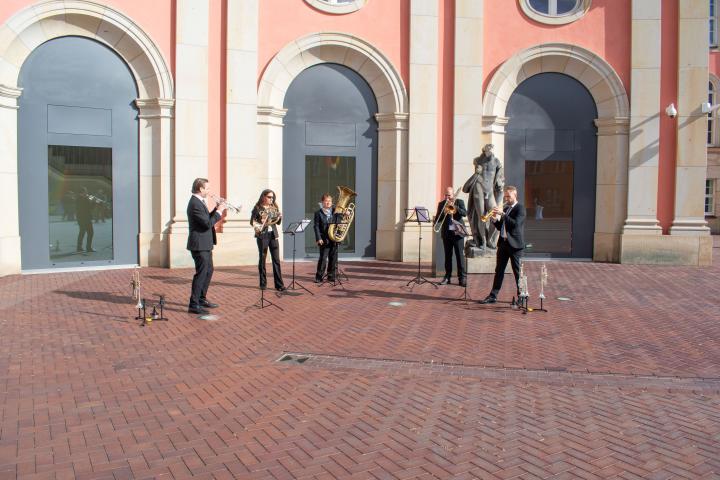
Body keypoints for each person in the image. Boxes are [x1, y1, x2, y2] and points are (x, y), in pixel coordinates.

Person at [480, 186, 526, 304]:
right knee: (499, 270)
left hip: (515, 245)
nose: (506, 198)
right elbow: (503, 226)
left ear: (515, 196)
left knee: (517, 272)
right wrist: (495, 220)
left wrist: (503, 214)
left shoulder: (520, 208)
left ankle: (522, 296)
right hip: (503, 243)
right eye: (505, 196)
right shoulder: (507, 208)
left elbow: (515, 224)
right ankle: (493, 295)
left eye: (508, 196)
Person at [187, 178, 225, 314]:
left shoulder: (199, 202)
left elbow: (206, 218)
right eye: (207, 188)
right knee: (201, 273)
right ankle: (193, 303)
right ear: (201, 189)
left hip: (205, 244)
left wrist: (216, 208)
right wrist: (219, 212)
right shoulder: (194, 203)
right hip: (199, 245)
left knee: (209, 271)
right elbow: (207, 224)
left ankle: (201, 298)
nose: (209, 191)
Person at [462, 144, 504, 251]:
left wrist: (500, 197)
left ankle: (490, 240)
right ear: (484, 150)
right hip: (478, 188)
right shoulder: (477, 160)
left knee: (495, 215)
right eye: (487, 149)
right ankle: (482, 241)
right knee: (481, 217)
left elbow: (500, 181)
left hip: (489, 191)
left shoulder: (497, 162)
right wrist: (477, 173)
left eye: (490, 149)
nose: (489, 151)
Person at [251, 189, 286, 291]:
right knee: (263, 259)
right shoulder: (257, 208)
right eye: (269, 197)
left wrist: (280, 217)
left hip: (273, 235)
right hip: (262, 235)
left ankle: (279, 285)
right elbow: (252, 222)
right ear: (263, 197)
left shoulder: (274, 207)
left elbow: (277, 223)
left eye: (272, 197)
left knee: (276, 260)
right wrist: (260, 220)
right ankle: (263, 283)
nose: (271, 199)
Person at [434, 187, 468, 287]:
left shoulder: (459, 201)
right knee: (447, 256)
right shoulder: (441, 204)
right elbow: (437, 220)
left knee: (459, 256)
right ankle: (447, 277)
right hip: (447, 233)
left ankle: (462, 278)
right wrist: (443, 212)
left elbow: (464, 213)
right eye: (446, 195)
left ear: (453, 194)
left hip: (457, 233)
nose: (447, 197)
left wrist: (455, 208)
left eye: (449, 195)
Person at [313, 193, 338, 283]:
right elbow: (316, 226)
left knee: (333, 258)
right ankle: (319, 276)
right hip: (324, 239)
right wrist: (318, 238)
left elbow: (342, 219)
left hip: (334, 238)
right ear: (322, 202)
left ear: (332, 202)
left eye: (329, 201)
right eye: (326, 201)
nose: (328, 203)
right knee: (323, 258)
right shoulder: (318, 213)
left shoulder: (336, 211)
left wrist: (346, 213)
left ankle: (331, 276)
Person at [75, 187, 95, 253]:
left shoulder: (82, 198)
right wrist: (92, 201)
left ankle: (81, 247)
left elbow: (89, 207)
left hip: (84, 218)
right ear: (83, 192)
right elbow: (89, 207)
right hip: (84, 218)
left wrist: (91, 201)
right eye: (86, 191)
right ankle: (87, 248)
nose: (87, 192)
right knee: (88, 232)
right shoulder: (81, 199)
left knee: (84, 232)